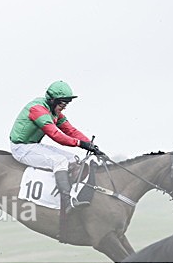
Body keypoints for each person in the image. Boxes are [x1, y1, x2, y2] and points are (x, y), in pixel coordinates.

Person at [9, 80, 103, 211]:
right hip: (21, 148)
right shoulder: (37, 110)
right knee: (60, 161)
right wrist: (81, 144)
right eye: (62, 103)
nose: (64, 107)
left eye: (66, 104)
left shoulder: (54, 112)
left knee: (73, 159)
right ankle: (66, 202)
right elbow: (55, 135)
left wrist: (91, 145)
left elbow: (70, 130)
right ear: (52, 100)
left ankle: (73, 194)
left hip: (33, 145)